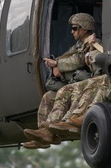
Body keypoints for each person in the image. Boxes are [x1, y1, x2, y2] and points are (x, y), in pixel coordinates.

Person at [23, 13, 101, 149]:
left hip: (88, 87)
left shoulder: (94, 43)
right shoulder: (78, 46)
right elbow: (68, 57)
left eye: (75, 28)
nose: (72, 31)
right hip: (75, 87)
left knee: (63, 91)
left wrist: (58, 64)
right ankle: (43, 134)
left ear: (84, 28)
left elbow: (79, 60)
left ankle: (48, 132)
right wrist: (56, 64)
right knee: (48, 97)